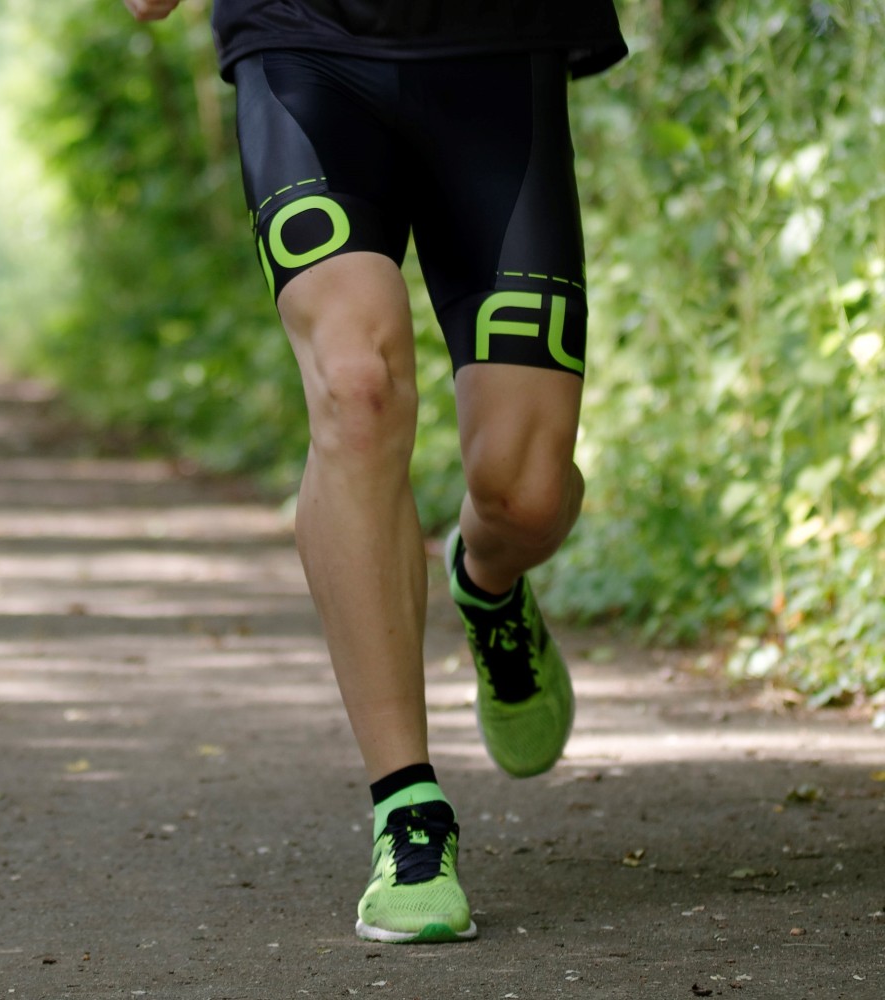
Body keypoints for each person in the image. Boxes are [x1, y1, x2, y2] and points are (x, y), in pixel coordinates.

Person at [123, 0, 627, 944]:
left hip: (498, 44)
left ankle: (488, 584)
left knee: (526, 496)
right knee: (355, 389)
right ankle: (408, 813)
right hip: (300, 41)